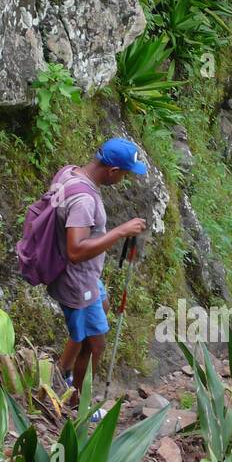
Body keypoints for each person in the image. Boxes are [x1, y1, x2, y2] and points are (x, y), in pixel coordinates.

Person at [49, 138, 147, 408]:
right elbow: (76, 250)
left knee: (100, 308)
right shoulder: (83, 199)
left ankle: (62, 374)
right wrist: (120, 231)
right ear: (112, 170)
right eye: (125, 174)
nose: (125, 179)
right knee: (96, 345)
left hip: (84, 276)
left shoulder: (69, 173)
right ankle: (77, 403)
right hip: (77, 279)